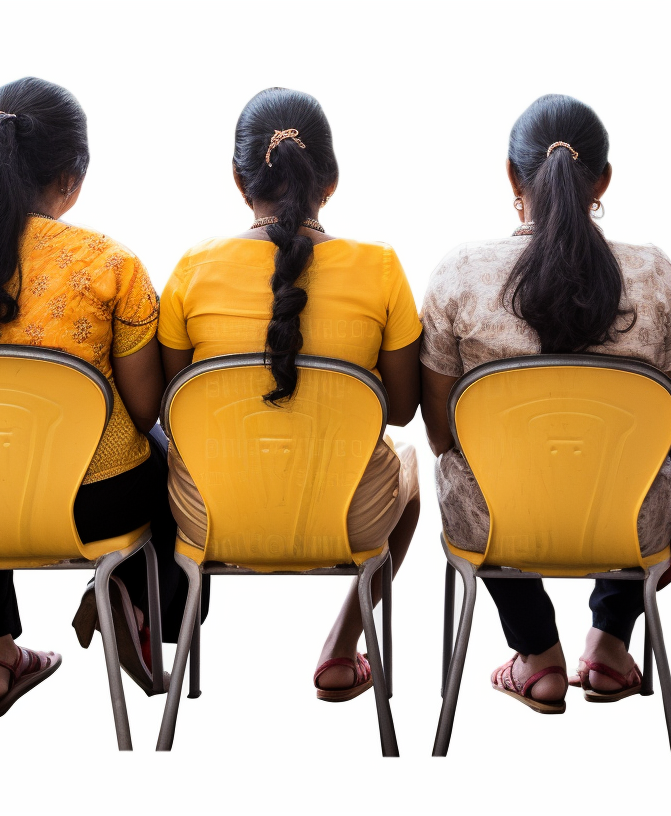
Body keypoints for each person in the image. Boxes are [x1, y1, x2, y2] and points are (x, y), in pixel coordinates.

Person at [0, 77, 184, 710]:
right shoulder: (111, 265)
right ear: (71, 182)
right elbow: (142, 406)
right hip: (95, 507)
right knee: (168, 457)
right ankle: (135, 607)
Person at [420, 94, 671, 712]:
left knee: (466, 472)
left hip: (497, 521)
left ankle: (536, 655)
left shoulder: (459, 274)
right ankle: (609, 642)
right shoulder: (655, 275)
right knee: (665, 465)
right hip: (631, 524)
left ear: (512, 177)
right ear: (603, 179)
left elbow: (441, 435)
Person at [157, 87, 422, 701]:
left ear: (237, 178)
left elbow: (172, 406)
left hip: (211, 517)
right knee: (411, 470)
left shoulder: (192, 268)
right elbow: (403, 409)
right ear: (330, 180)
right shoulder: (381, 267)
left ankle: (157, 631)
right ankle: (341, 647)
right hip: (349, 517)